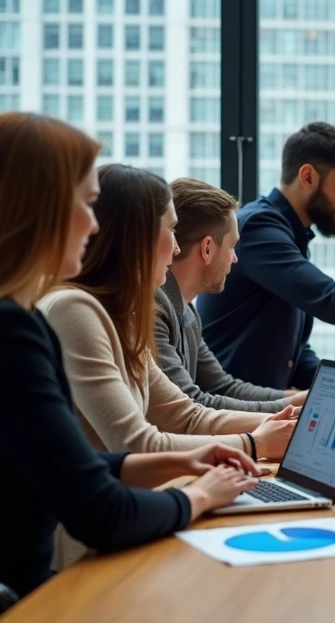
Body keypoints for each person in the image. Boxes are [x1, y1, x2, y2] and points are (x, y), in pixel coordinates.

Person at [0, 113, 259, 623]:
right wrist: (201, 494)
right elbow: (97, 513)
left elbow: (65, 466)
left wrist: (181, 459)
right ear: (37, 211)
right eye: (84, 203)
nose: (95, 223)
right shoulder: (3, 330)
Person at [39, 165, 295, 460]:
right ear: (137, 236)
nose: (176, 249)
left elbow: (188, 416)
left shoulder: (122, 316)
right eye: (171, 230)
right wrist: (253, 444)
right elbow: (136, 443)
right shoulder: (73, 309)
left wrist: (290, 422)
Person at [199, 122, 335, 390]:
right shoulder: (258, 228)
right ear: (307, 177)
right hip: (227, 414)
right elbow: (331, 300)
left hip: (257, 410)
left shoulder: (289, 235)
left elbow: (293, 358)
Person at [157, 177, 308, 411]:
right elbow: (192, 404)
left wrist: (299, 399)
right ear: (207, 249)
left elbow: (223, 387)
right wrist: (290, 410)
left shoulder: (187, 311)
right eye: (231, 246)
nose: (235, 259)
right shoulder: (155, 308)